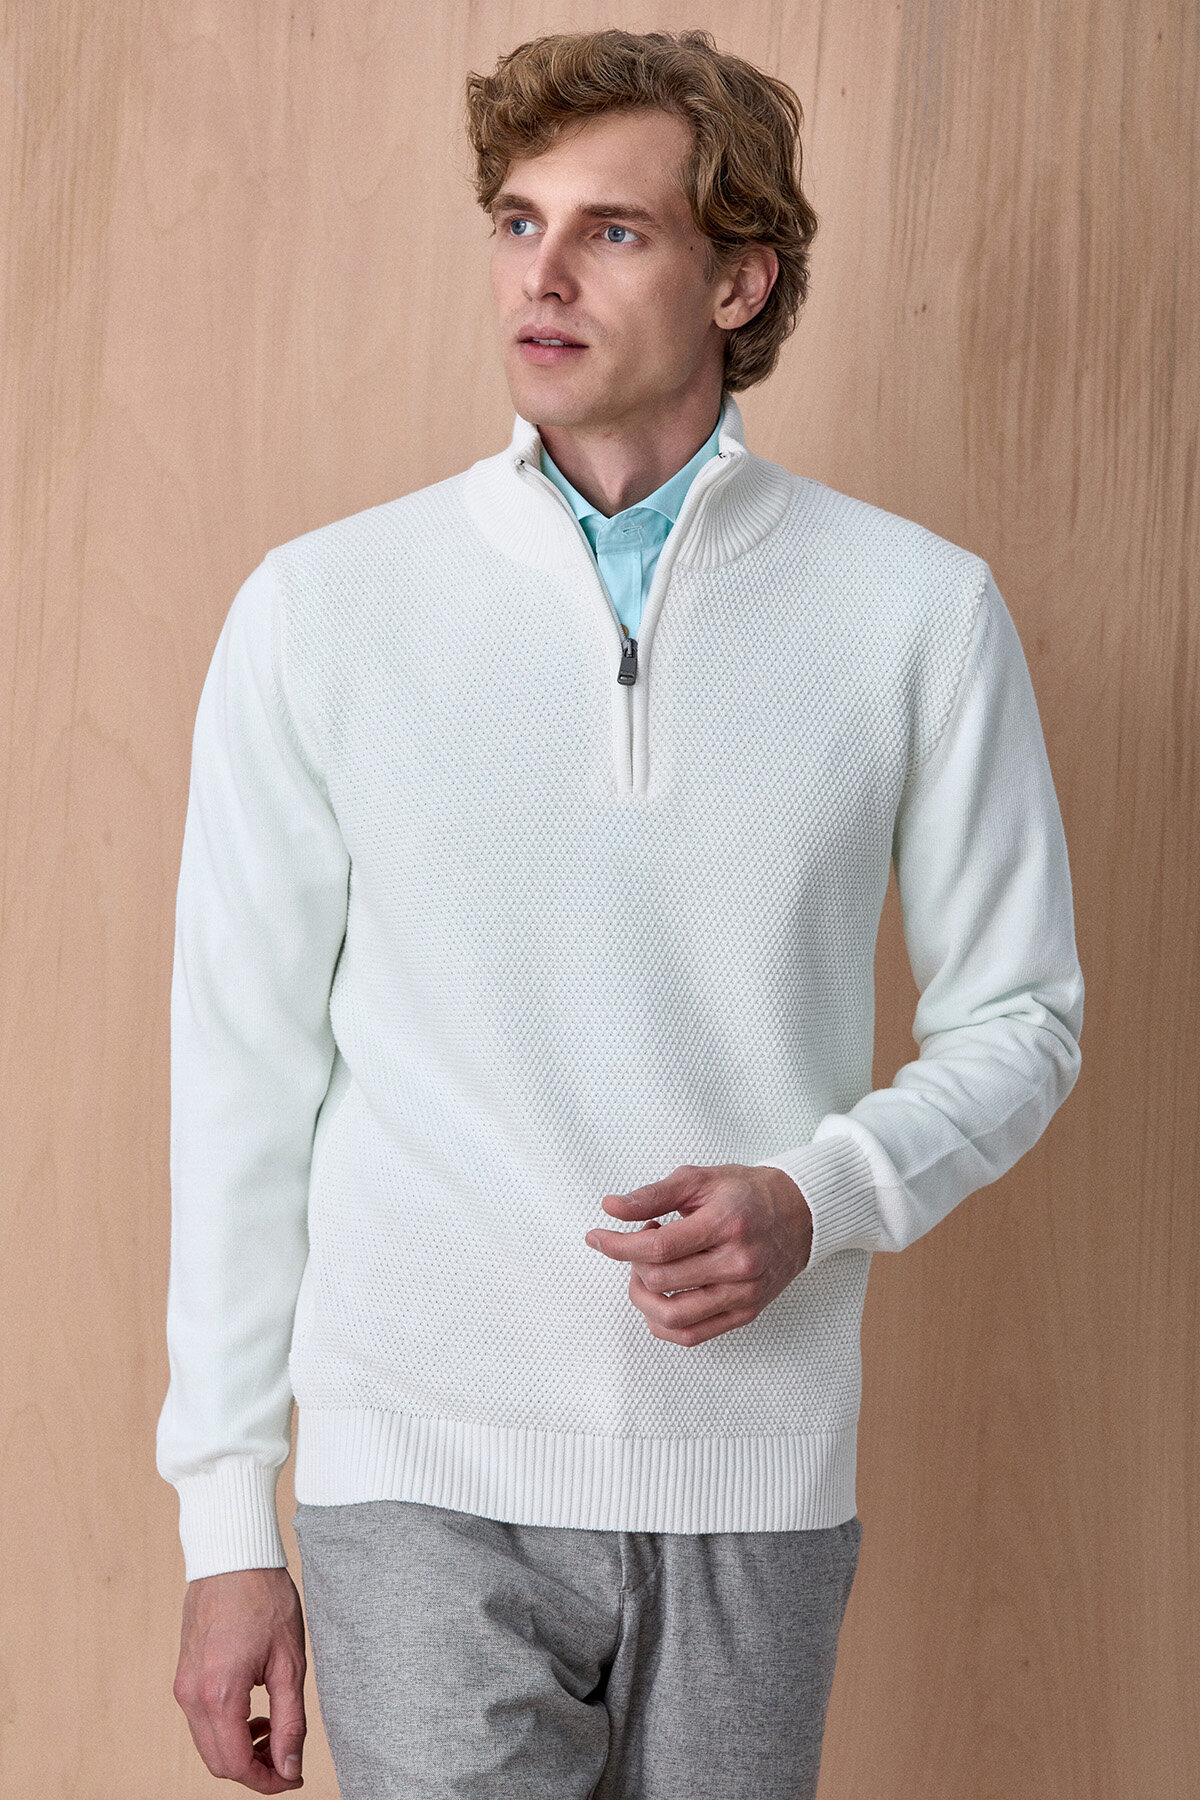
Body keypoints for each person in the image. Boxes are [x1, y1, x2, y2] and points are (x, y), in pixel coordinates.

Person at [158, 26, 1084, 1800]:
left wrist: (822, 1197)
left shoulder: (917, 613)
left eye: (613, 230)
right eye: (519, 222)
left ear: (741, 280)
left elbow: (1023, 1021)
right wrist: (224, 1524)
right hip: (412, 1472)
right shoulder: (322, 611)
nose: (543, 273)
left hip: (756, 1477)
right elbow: (240, 1081)